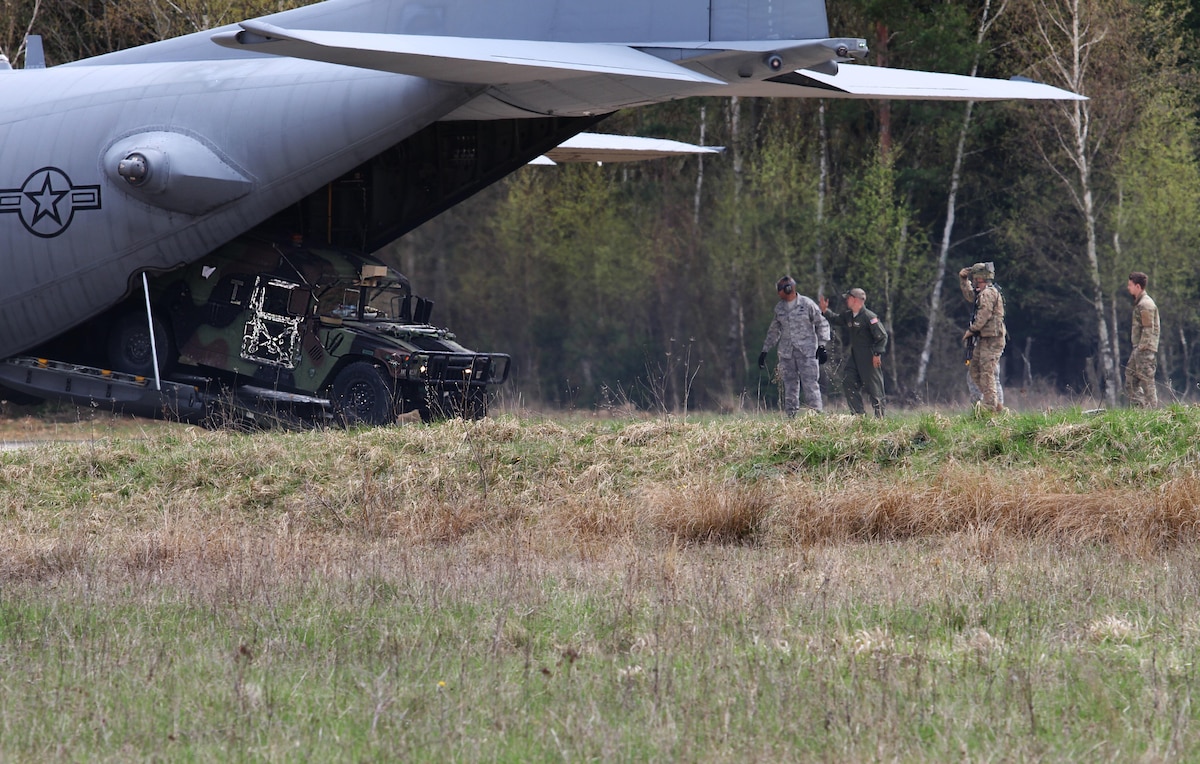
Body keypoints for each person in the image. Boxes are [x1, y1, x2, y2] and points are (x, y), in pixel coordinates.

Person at [759, 275, 830, 416]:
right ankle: (791, 417)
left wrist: (822, 346)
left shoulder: (807, 304)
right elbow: (774, 331)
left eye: (779, 289)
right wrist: (765, 351)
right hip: (787, 354)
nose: (778, 293)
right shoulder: (779, 308)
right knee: (790, 387)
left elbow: (822, 323)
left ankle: (817, 417)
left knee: (811, 385)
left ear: (787, 289)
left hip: (807, 353)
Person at [819, 288, 888, 416]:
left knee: (874, 387)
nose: (846, 300)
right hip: (855, 355)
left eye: (848, 298)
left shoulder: (869, 317)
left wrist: (877, 354)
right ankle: (858, 415)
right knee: (848, 380)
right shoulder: (849, 315)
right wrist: (825, 311)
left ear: (856, 300)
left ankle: (880, 418)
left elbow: (882, 336)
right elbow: (837, 319)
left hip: (869, 356)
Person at [958, 262, 1007, 413]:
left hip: (992, 339)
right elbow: (971, 296)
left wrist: (971, 330)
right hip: (984, 339)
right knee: (974, 369)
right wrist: (963, 280)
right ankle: (993, 403)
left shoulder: (988, 293)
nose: (974, 282)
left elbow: (984, 314)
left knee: (988, 373)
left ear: (981, 279)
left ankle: (992, 407)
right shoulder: (983, 292)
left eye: (975, 279)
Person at [1124, 271, 1160, 407]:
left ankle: (1152, 410)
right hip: (1140, 348)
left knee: (1146, 379)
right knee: (1131, 376)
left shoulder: (1145, 304)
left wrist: (1141, 348)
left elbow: (1148, 328)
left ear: (1138, 286)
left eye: (1130, 285)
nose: (1128, 288)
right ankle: (1140, 408)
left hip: (1144, 349)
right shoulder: (1141, 303)